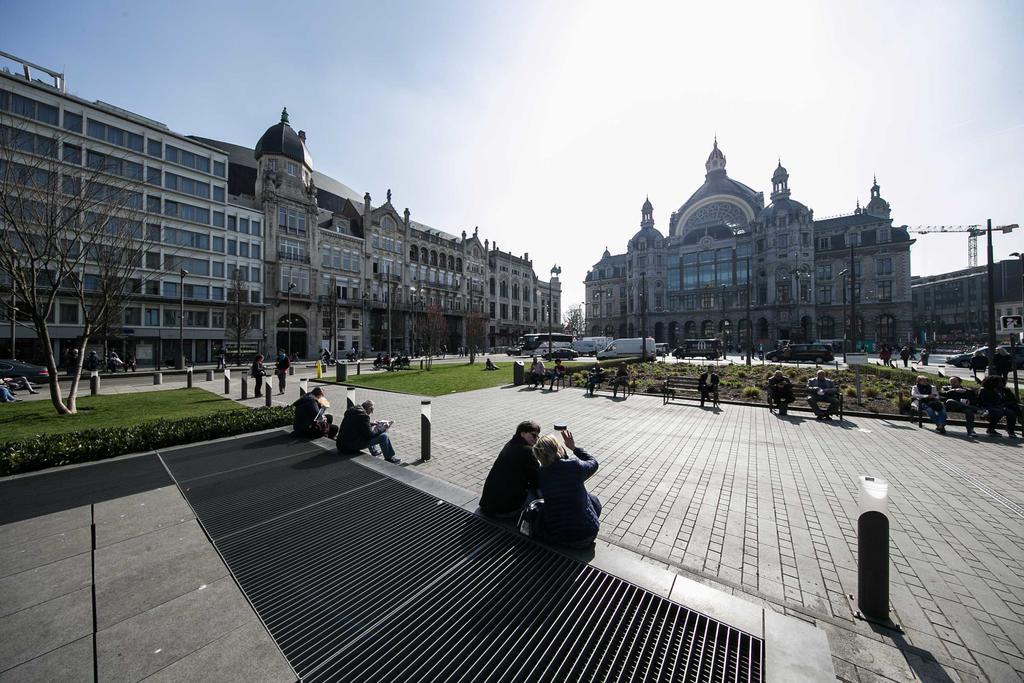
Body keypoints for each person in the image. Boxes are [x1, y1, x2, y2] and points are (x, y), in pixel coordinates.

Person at [532, 430, 601, 548]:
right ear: (558, 448)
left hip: (558, 536)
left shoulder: (541, 473)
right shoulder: (574, 466)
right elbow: (594, 463)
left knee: (542, 507)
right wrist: (573, 447)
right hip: (587, 535)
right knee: (592, 499)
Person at [479, 420, 541, 518]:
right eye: (534, 435)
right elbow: (537, 479)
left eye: (538, 436)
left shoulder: (510, 444)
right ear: (523, 433)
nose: (536, 439)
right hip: (503, 510)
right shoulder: (527, 451)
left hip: (487, 505)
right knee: (539, 494)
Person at [337, 399, 401, 463]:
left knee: (367, 431)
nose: (371, 413)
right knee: (384, 436)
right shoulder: (364, 416)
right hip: (350, 447)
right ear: (369, 408)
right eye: (372, 410)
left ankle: (374, 451)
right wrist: (383, 429)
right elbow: (370, 435)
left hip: (341, 445)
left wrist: (370, 424)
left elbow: (357, 424)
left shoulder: (352, 411)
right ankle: (389, 458)